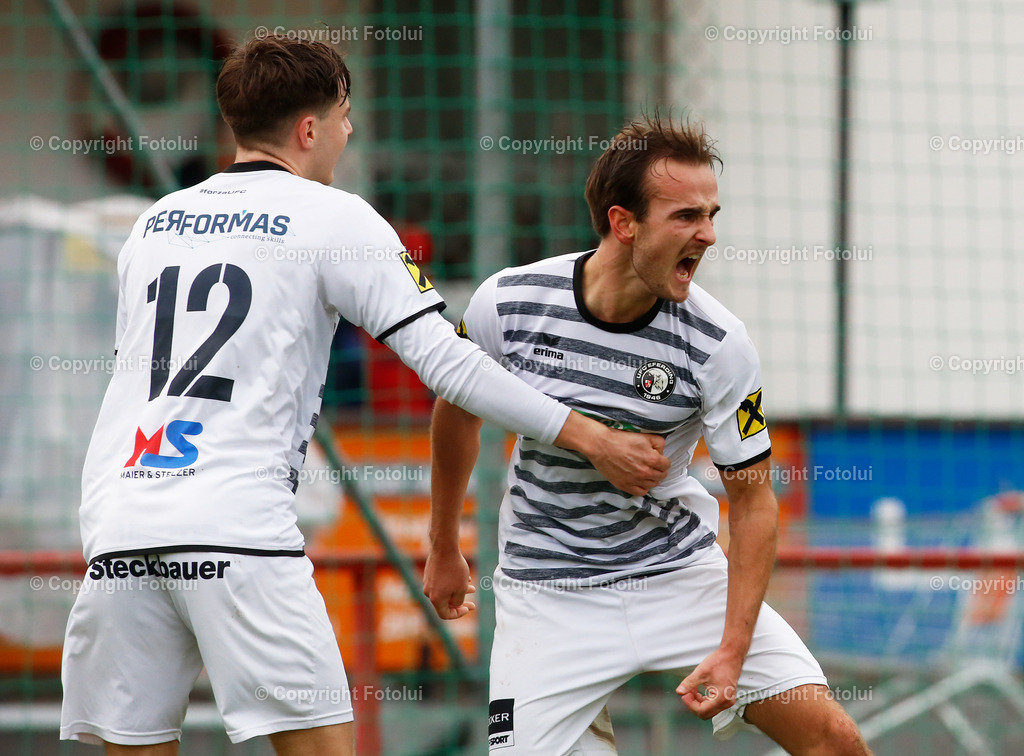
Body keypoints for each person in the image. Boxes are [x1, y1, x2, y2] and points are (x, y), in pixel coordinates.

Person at [59, 36, 670, 756]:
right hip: (236, 531)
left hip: (121, 526)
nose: (350, 133)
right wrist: (591, 436)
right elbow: (448, 363)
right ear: (309, 129)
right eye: (345, 116)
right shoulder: (333, 216)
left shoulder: (153, 223)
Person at [423, 114, 873, 755]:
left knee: (834, 739)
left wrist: (732, 650)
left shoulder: (719, 344)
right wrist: (443, 544)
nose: (709, 235)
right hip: (548, 595)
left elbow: (753, 502)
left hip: (680, 576)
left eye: (712, 214)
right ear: (622, 222)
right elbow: (456, 411)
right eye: (687, 216)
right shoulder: (507, 303)